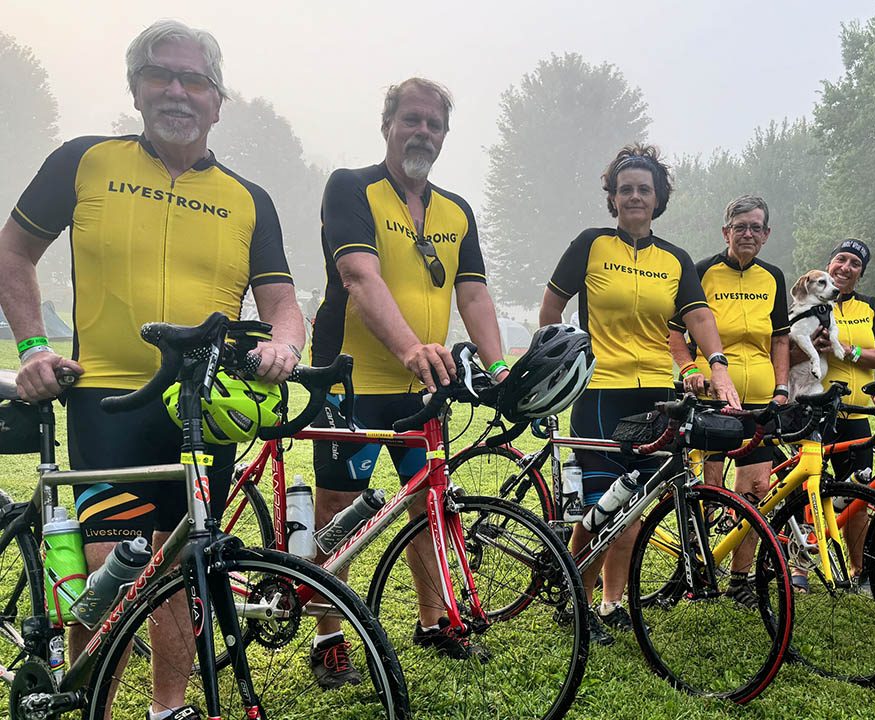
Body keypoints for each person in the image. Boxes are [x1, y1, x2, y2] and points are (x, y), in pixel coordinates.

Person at [0, 20, 303, 720]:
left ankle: (166, 707)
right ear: (135, 87)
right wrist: (34, 348)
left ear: (217, 100)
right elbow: (12, 253)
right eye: (161, 75)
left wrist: (284, 346)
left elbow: (283, 303)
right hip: (110, 398)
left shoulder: (248, 197)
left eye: (194, 80)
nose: (177, 91)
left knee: (179, 569)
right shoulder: (85, 160)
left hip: (209, 405)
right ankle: (84, 692)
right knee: (118, 562)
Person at [308, 78, 508, 665]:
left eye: (435, 124)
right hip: (353, 383)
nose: (423, 131)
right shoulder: (351, 188)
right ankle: (327, 636)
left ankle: (433, 620)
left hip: (423, 389)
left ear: (445, 136)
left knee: (431, 506)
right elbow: (358, 277)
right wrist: (410, 349)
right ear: (387, 123)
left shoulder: (456, 210)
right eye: (412, 120)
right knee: (336, 514)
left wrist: (497, 365)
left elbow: (473, 294)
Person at [539, 143, 740, 644]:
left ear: (658, 198)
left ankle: (611, 604)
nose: (634, 196)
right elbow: (551, 310)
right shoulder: (590, 243)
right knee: (599, 505)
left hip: (654, 391)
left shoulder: (674, 259)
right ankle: (577, 602)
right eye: (624, 188)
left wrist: (719, 367)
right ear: (612, 196)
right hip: (599, 391)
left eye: (643, 189)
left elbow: (698, 317)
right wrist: (562, 361)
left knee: (636, 505)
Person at [668, 194, 789, 597]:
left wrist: (783, 387)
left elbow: (781, 340)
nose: (749, 234)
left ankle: (740, 578)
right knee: (710, 494)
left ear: (767, 234)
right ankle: (697, 570)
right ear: (726, 232)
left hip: (759, 400)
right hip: (711, 401)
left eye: (756, 227)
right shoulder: (701, 271)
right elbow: (675, 335)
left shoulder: (773, 277)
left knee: (756, 491)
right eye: (741, 227)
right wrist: (690, 370)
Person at [791, 239, 875, 591]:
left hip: (857, 411)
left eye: (854, 263)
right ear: (829, 265)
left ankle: (859, 570)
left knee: (858, 496)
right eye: (840, 259)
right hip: (815, 409)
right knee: (809, 491)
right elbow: (786, 349)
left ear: (861, 272)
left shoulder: (873, 307)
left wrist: (844, 351)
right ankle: (800, 569)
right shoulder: (809, 303)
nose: (845, 267)